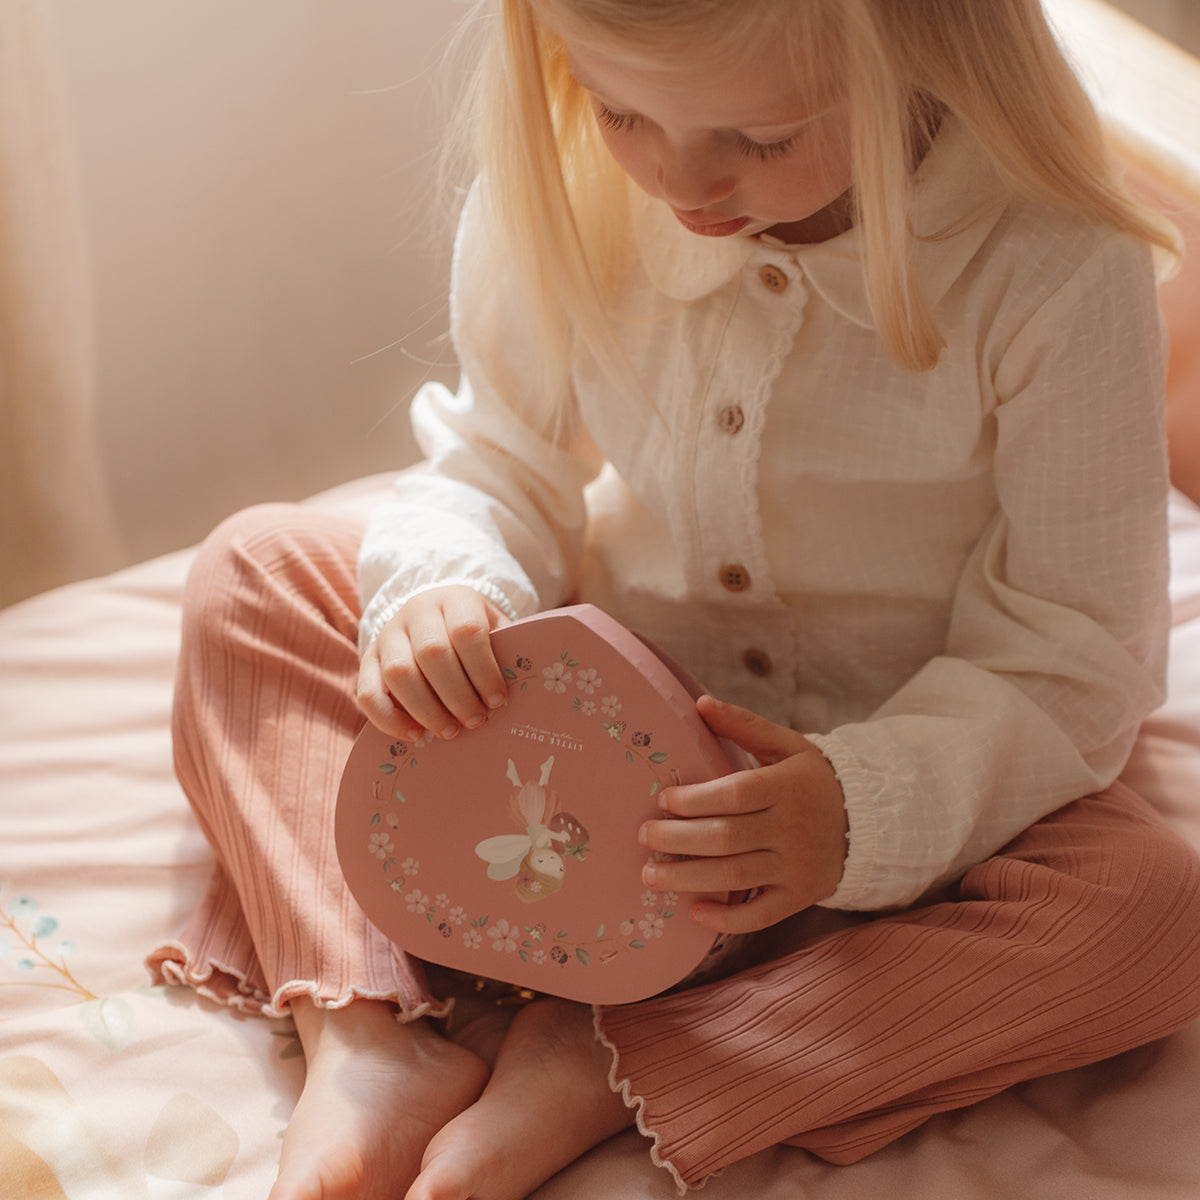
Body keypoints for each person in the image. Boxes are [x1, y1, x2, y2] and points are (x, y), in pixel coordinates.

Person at [147, 1, 1200, 1198]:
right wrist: (447, 592)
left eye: (761, 137)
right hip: (589, 735)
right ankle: (369, 1039)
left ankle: (608, 1058)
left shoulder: (1054, 260)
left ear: (929, 47)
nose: (682, 181)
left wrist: (855, 812)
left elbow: (1076, 649)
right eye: (623, 111)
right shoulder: (570, 184)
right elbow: (499, 464)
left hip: (889, 760)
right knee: (256, 568)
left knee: (1147, 915)